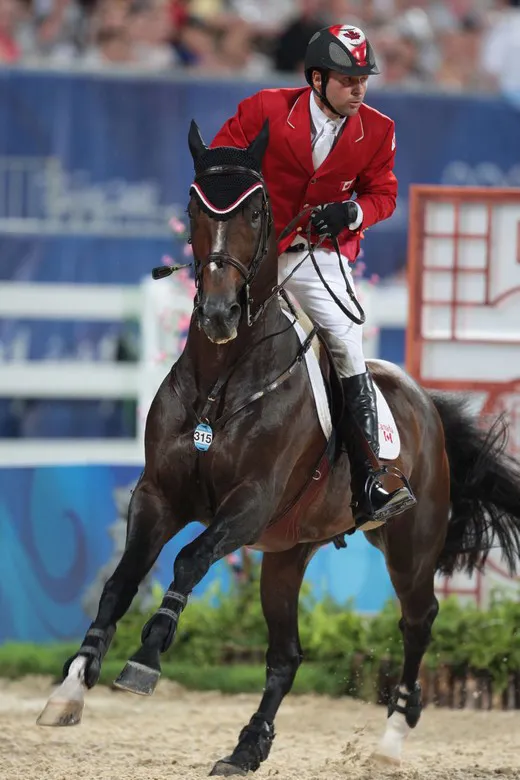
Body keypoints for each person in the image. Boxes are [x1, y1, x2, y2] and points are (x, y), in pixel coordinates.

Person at [210, 24, 416, 528]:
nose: (359, 89)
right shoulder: (265, 110)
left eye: (363, 79)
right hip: (256, 252)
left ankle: (372, 477)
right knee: (212, 323)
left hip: (317, 256)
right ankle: (189, 443)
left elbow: (383, 195)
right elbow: (220, 165)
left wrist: (351, 214)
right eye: (348, 79)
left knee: (345, 342)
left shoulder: (379, 130)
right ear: (318, 78)